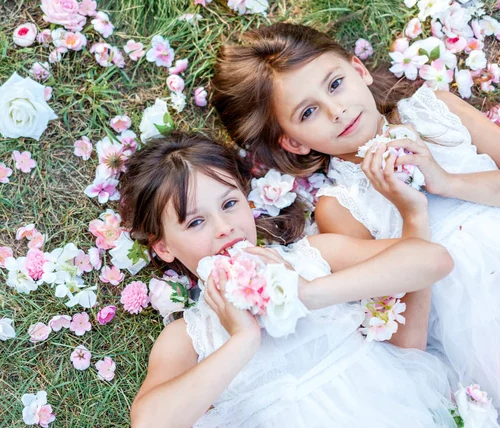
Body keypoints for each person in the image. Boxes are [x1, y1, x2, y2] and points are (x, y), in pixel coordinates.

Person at [211, 22, 500, 402]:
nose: (337, 110)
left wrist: (445, 181)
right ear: (294, 142)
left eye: (335, 84)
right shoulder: (340, 207)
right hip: (479, 323)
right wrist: (414, 216)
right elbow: (405, 342)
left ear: (358, 70)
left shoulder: (436, 110)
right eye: (309, 112)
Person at [123, 133, 456, 427]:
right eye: (195, 222)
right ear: (164, 247)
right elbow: (151, 421)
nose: (224, 227)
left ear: (247, 200)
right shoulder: (188, 336)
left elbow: (432, 258)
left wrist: (309, 291)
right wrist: (242, 338)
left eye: (229, 204)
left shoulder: (311, 257)